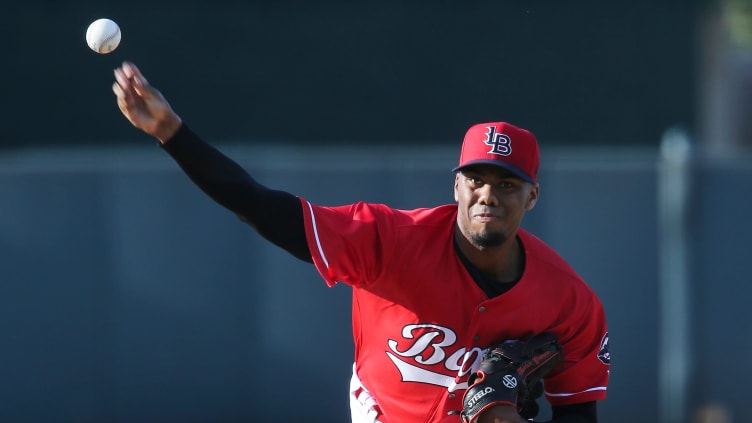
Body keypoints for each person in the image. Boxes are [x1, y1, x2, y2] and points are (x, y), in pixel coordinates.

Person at [112, 61, 610, 423]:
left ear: (532, 197)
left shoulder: (568, 302)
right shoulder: (388, 240)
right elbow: (260, 206)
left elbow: (578, 410)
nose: (488, 195)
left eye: (506, 184)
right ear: (456, 185)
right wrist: (172, 133)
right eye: (476, 179)